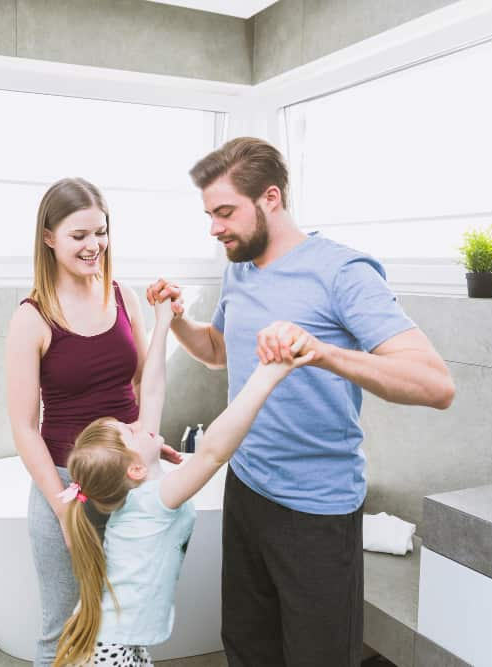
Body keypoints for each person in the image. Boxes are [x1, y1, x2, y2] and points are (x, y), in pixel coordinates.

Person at [147, 137, 456, 666]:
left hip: (315, 508)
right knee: (248, 648)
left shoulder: (343, 272)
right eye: (209, 214)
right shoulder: (239, 267)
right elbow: (221, 351)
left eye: (225, 212)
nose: (214, 228)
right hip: (245, 488)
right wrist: (178, 320)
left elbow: (435, 384)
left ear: (271, 198)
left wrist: (322, 353)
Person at [52, 297, 314, 667]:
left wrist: (163, 322)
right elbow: (212, 453)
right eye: (131, 431)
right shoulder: (156, 497)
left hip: (108, 638)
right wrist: (266, 375)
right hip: (109, 650)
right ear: (135, 469)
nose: (138, 423)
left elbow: (153, 390)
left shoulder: (140, 487)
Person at [5, 177, 183, 666]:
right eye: (78, 235)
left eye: (100, 233)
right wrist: (63, 508)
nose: (93, 246)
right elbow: (24, 426)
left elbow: (145, 382)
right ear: (48, 238)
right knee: (63, 630)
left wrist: (147, 447)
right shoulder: (32, 317)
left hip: (129, 480)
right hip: (69, 484)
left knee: (126, 624)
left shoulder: (122, 295)